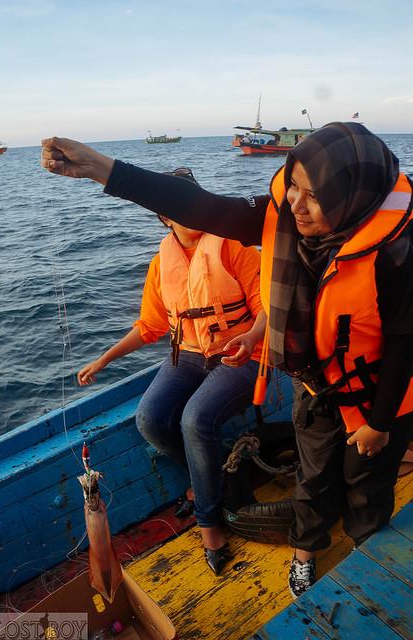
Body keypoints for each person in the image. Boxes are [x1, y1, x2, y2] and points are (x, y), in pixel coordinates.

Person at [41, 122, 413, 598]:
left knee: (367, 487)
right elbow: (210, 209)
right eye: (291, 185)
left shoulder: (398, 248)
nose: (294, 204)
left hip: (383, 396)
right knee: (313, 477)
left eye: (313, 195)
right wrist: (104, 170)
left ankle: (367, 558)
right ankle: (305, 553)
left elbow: (405, 342)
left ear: (352, 197)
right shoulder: (285, 217)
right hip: (318, 384)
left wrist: (380, 422)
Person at [75, 166, 266, 575]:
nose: (194, 212)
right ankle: (208, 477)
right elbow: (150, 326)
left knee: (195, 420)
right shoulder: (161, 264)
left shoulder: (234, 247)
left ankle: (210, 522)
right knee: (151, 420)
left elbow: (268, 305)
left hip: (243, 355)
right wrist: (105, 359)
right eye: (181, 206)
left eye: (198, 203)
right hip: (190, 355)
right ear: (164, 215)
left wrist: (250, 338)